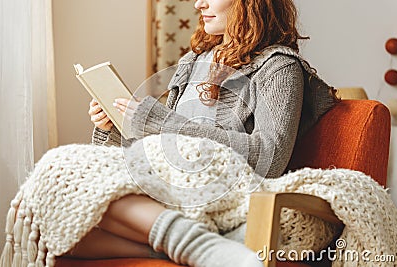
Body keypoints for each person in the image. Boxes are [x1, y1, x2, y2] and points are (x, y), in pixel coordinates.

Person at [80, 0, 338, 266]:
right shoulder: (191, 62)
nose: (198, 3)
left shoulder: (278, 67)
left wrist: (161, 122)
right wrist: (110, 128)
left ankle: (189, 243)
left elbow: (270, 158)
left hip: (221, 196)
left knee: (68, 182)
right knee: (64, 225)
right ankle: (193, 248)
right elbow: (166, 143)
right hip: (172, 183)